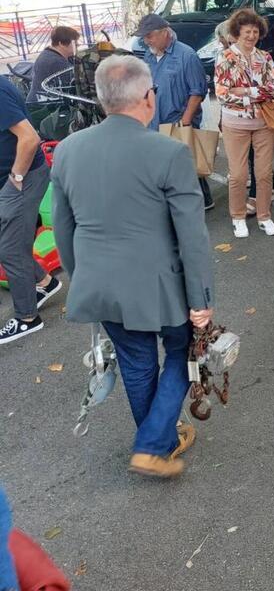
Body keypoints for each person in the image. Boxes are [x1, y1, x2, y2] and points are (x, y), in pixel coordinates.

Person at [50, 55, 214, 477]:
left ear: (104, 100)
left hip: (99, 284)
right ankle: (152, 445)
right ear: (148, 97)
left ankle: (157, 440)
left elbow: (63, 229)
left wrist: (80, 277)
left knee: (138, 362)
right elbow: (192, 235)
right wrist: (201, 300)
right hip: (161, 286)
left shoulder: (68, 150)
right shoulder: (170, 152)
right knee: (181, 353)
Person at [0, 75, 60, 345]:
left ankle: (27, 318)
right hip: (13, 178)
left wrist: (16, 178)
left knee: (10, 249)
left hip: (22, 178)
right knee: (8, 244)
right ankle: (46, 282)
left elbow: (29, 138)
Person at [214, 8, 274, 239]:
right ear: (236, 32)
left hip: (263, 122)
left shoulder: (265, 57)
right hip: (235, 123)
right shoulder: (225, 57)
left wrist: (246, 91)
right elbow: (222, 93)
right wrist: (255, 93)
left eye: (255, 31)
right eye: (247, 31)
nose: (251, 36)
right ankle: (238, 216)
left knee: (264, 173)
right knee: (238, 174)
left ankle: (264, 215)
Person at [135, 14, 213, 211]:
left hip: (178, 119)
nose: (146, 41)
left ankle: (197, 202)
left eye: (150, 36)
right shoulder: (149, 55)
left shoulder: (186, 55)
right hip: (155, 120)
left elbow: (197, 91)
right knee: (171, 166)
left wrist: (185, 121)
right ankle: (190, 200)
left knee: (185, 166)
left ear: (164, 32)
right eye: (144, 37)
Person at [27, 25, 78, 110]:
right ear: (61, 43)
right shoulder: (56, 62)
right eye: (74, 43)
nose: (77, 46)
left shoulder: (48, 52)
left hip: (38, 101)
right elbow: (74, 86)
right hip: (43, 107)